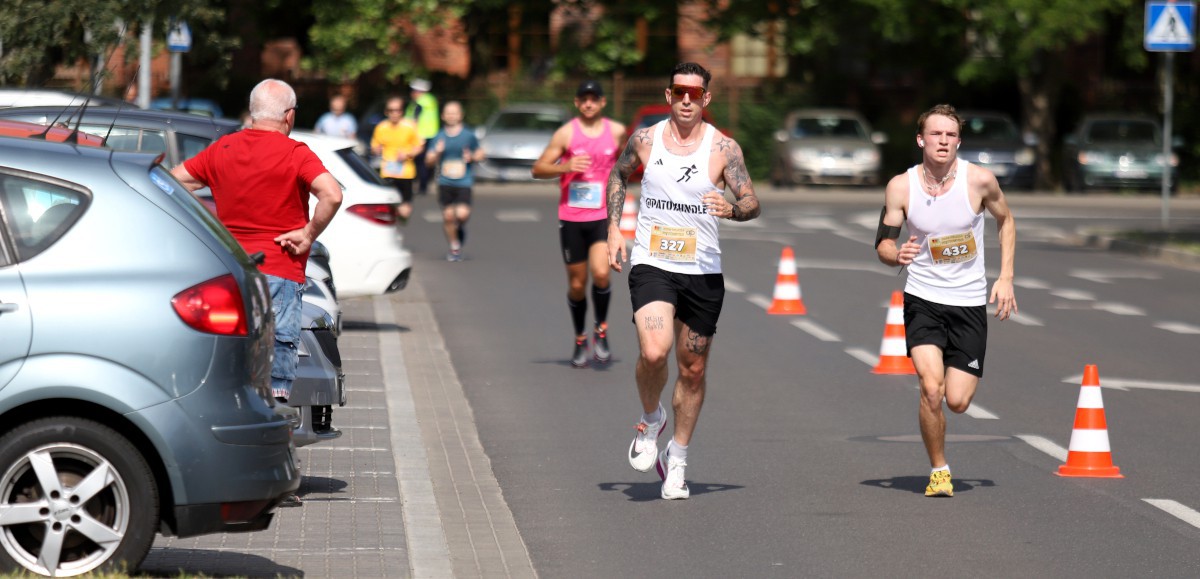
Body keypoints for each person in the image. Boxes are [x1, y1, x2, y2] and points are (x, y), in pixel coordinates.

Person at [605, 63, 760, 500]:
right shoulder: (646, 140)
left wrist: (733, 209)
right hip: (653, 261)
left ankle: (678, 461)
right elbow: (618, 174)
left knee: (692, 370)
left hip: (703, 270)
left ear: (706, 98)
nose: (687, 99)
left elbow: (751, 200)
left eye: (696, 92)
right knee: (654, 352)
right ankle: (652, 417)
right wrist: (614, 229)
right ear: (669, 94)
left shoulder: (724, 148)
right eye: (679, 91)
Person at [170, 78, 343, 410]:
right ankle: (274, 432)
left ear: (252, 112)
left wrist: (203, 233)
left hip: (230, 274)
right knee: (274, 385)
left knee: (232, 368)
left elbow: (172, 183)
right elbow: (332, 195)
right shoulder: (296, 154)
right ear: (289, 115)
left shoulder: (223, 148)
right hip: (280, 271)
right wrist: (308, 235)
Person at [875, 103, 1017, 497]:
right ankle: (939, 470)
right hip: (923, 298)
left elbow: (1007, 221)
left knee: (956, 401)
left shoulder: (980, 181)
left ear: (959, 141)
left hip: (969, 302)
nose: (943, 141)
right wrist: (896, 253)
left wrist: (1005, 277)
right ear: (921, 140)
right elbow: (884, 244)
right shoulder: (901, 186)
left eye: (950, 135)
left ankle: (942, 451)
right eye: (936, 134)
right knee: (931, 388)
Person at [532, 80, 627, 367]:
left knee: (601, 273)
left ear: (602, 102)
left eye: (593, 99)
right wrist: (565, 167)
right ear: (576, 103)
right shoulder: (566, 134)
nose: (588, 103)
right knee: (577, 284)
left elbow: (632, 162)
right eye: (583, 99)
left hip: (602, 216)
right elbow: (538, 169)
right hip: (572, 218)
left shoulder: (617, 131)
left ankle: (601, 329)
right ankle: (580, 337)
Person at [425, 101, 484, 262]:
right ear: (443, 116)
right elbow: (428, 161)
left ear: (461, 115)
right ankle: (454, 247)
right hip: (445, 181)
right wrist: (437, 153)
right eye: (448, 112)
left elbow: (480, 153)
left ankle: (460, 228)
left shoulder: (468, 135)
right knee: (448, 216)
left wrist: (471, 157)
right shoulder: (439, 136)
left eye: (455, 112)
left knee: (462, 214)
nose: (451, 115)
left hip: (464, 181)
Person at [372, 95, 423, 224]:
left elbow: (419, 146)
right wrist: (376, 150)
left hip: (406, 172)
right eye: (391, 110)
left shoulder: (410, 126)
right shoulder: (381, 127)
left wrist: (407, 154)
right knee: (387, 206)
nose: (394, 113)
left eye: (397, 110)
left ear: (402, 111)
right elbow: (374, 146)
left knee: (404, 211)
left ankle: (401, 215)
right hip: (387, 171)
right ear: (386, 112)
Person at [405, 78, 440, 195]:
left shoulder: (420, 102)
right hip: (431, 134)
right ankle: (425, 183)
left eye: (413, 91)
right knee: (427, 161)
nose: (412, 93)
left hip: (421, 136)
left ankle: (422, 186)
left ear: (418, 91)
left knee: (420, 162)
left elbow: (415, 120)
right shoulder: (431, 100)